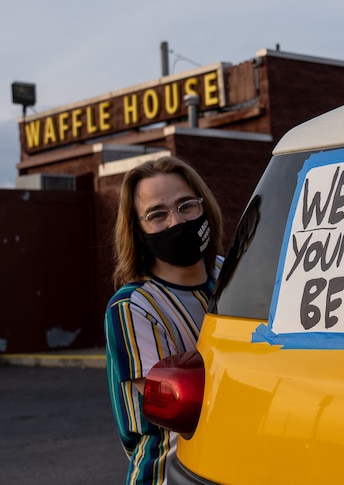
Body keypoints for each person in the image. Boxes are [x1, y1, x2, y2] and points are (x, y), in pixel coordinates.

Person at [104, 156, 224, 485]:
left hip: (229, 467)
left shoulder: (230, 275)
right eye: (157, 214)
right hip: (168, 474)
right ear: (138, 230)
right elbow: (183, 407)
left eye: (187, 205)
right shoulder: (133, 306)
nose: (176, 221)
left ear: (205, 207)